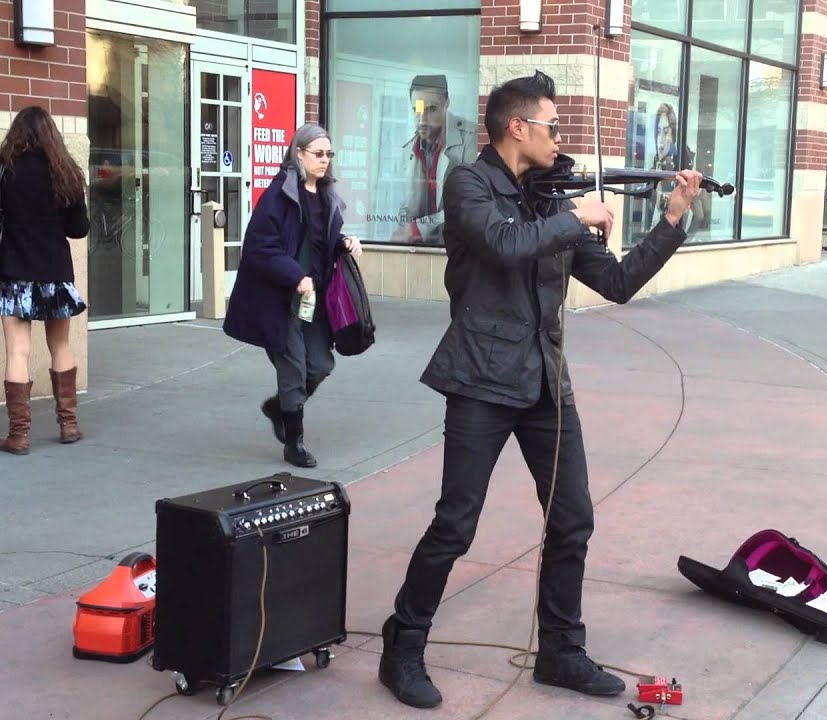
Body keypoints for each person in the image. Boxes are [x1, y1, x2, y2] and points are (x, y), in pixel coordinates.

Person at [378, 70, 705, 709]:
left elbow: (614, 281)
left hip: (546, 382)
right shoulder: (469, 183)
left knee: (572, 519)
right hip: (479, 378)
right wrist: (575, 216)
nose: (561, 139)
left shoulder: (552, 196)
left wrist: (669, 221)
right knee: (455, 524)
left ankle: (560, 651)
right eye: (553, 127)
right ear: (516, 127)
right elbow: (503, 246)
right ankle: (403, 645)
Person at [223, 123, 363, 468]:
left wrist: (344, 242)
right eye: (318, 153)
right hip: (279, 300)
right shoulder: (278, 196)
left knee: (320, 365)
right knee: (293, 368)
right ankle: (294, 442)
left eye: (329, 154)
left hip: (313, 301)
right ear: (298, 153)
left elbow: (320, 241)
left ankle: (277, 409)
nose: (325, 160)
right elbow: (259, 248)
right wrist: (294, 275)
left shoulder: (327, 195)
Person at [0, 106, 91, 455]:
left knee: (17, 351)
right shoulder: (66, 173)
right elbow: (79, 229)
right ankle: (69, 424)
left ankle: (18, 435)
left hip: (14, 270)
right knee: (60, 347)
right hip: (54, 273)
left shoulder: (3, 170)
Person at [390, 75, 477, 245]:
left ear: (446, 104)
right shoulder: (409, 150)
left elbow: (469, 203)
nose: (422, 119)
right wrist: (403, 232)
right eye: (417, 109)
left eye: (431, 109)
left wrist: (416, 229)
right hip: (419, 250)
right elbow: (405, 204)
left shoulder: (469, 141)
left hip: (458, 248)